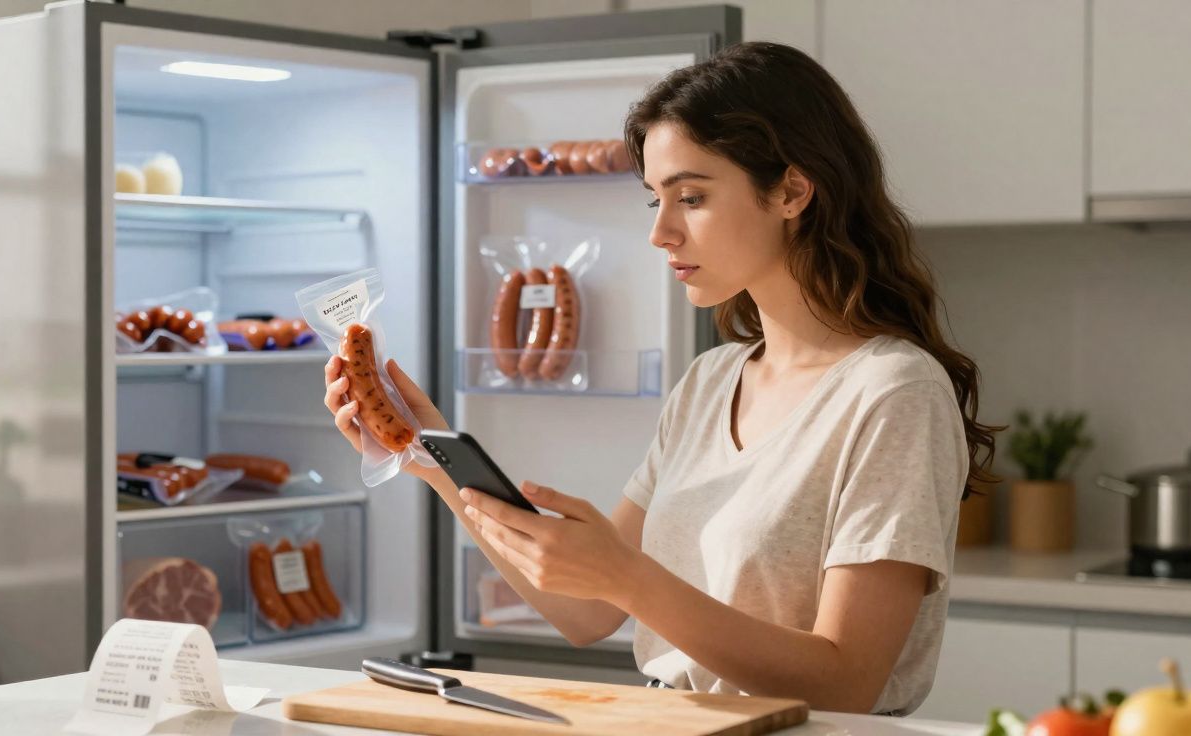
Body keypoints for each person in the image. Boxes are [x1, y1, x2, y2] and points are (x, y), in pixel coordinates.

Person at [323, 42, 999, 716]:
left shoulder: (894, 392)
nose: (661, 232)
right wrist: (428, 451)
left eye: (692, 197)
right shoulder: (712, 381)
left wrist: (629, 578)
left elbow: (847, 682)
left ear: (792, 191)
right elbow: (584, 612)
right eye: (656, 200)